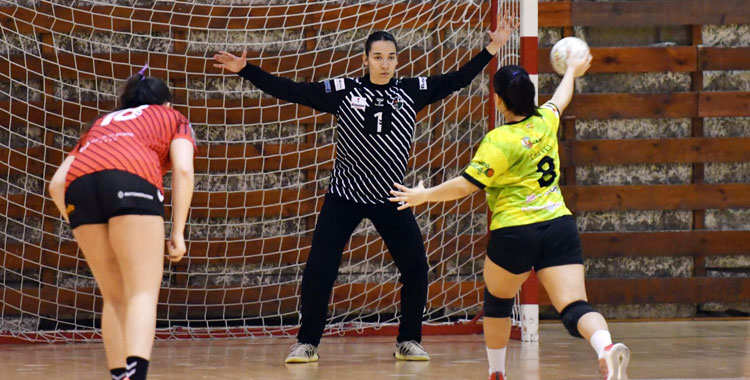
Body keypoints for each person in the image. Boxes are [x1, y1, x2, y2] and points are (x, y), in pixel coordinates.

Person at [213, 12, 519, 363]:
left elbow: (456, 80)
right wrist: (246, 70)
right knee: (319, 270)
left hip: (390, 196)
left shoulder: (411, 91)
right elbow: (292, 90)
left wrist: (491, 49)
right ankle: (307, 343)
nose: (384, 64)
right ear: (365, 60)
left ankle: (408, 340)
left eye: (390, 57)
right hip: (344, 196)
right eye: (377, 57)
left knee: (416, 268)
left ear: (397, 60)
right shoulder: (344, 91)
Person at [387, 50, 631, 380]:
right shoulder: (546, 120)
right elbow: (561, 97)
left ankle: (497, 373)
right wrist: (571, 70)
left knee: (498, 302)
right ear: (530, 96)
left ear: (499, 101)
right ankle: (605, 347)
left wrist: (423, 195)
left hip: (515, 232)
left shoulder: (498, 141)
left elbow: (464, 186)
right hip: (559, 226)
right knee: (575, 307)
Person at [48, 67, 196, 380]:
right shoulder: (171, 117)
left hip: (80, 189)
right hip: (131, 179)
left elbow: (57, 183)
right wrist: (178, 232)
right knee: (141, 292)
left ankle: (120, 376)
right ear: (165, 103)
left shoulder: (101, 123)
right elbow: (183, 170)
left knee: (113, 296)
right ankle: (136, 375)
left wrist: (81, 221)